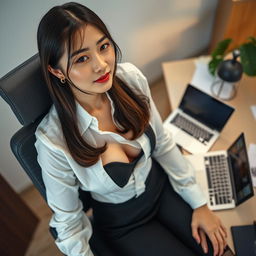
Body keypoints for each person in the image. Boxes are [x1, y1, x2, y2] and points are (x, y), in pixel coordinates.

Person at [35, 2, 228, 256]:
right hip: (124, 223)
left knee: (220, 249)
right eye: (82, 58)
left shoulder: (131, 80)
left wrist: (200, 203)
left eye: (103, 47)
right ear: (56, 71)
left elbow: (163, 144)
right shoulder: (53, 141)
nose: (102, 65)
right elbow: (69, 224)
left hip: (161, 187)